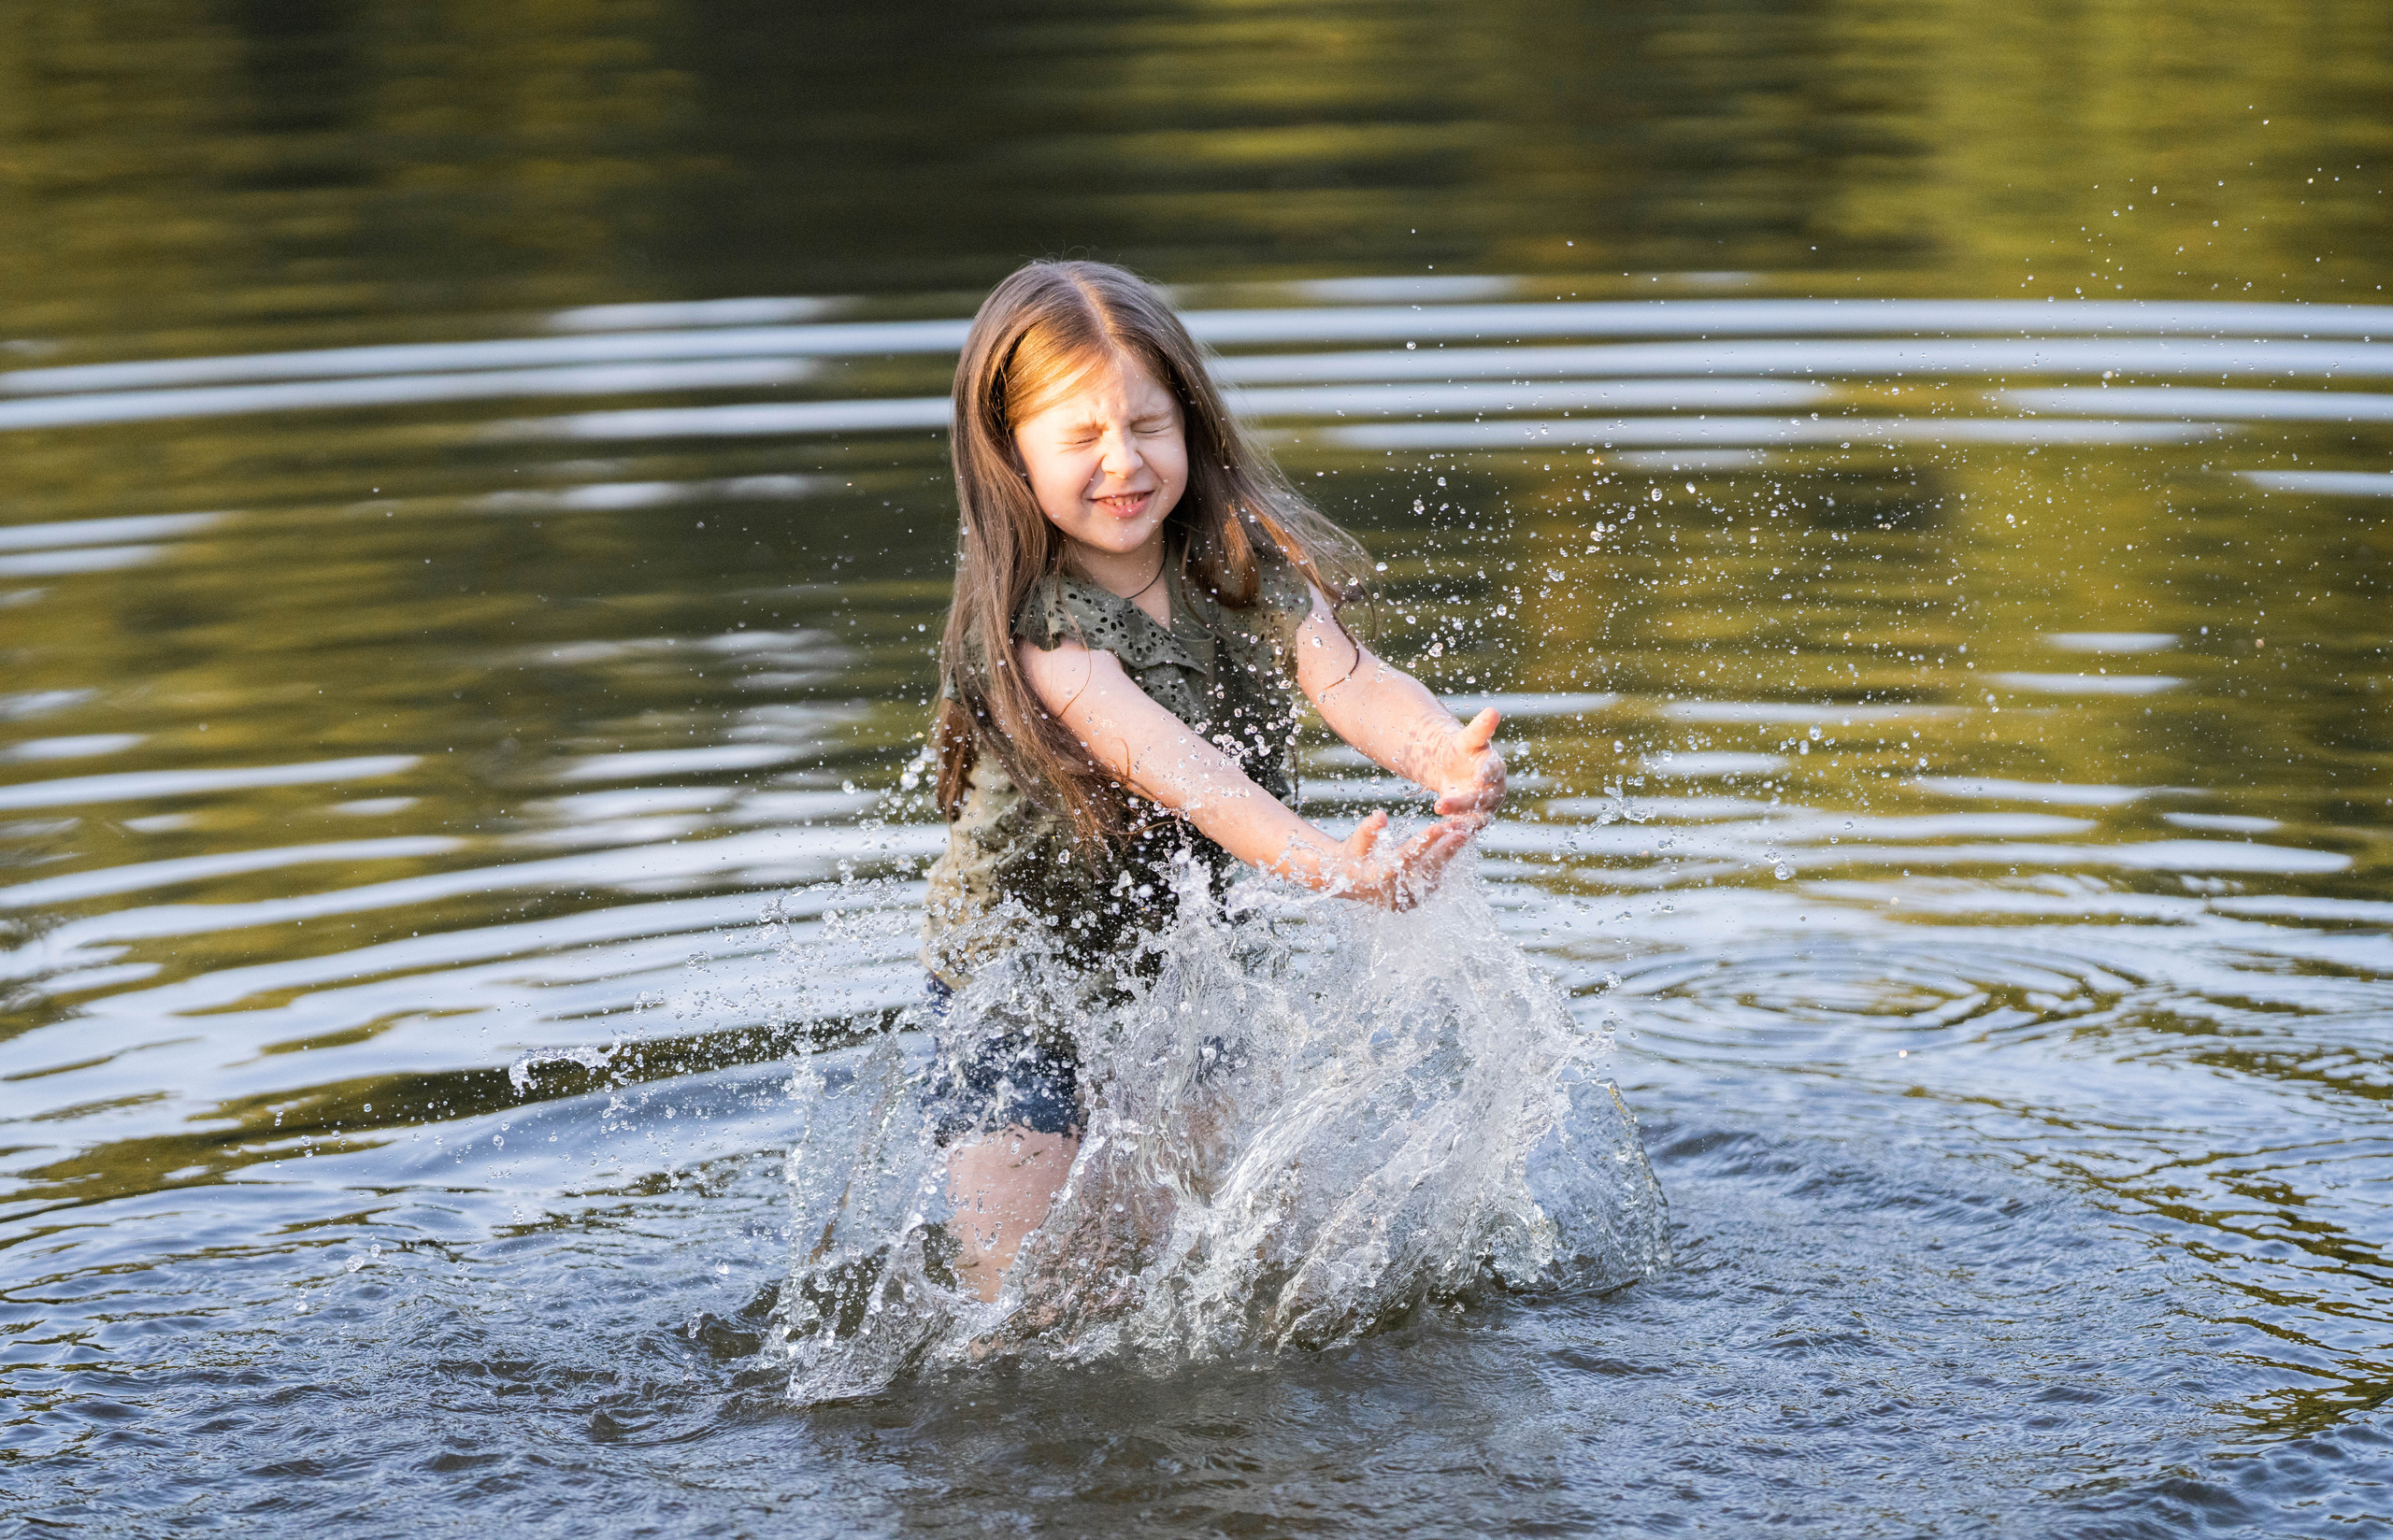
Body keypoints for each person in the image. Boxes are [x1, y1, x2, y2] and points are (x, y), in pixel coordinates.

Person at [923, 260, 1507, 1303]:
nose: (1123, 461)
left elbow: (1350, 679)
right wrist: (1330, 867)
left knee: (1228, 1269)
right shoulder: (1033, 628)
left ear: (1189, 423)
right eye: (1081, 438)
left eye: (1148, 425)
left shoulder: (1237, 568)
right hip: (1016, 987)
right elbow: (1186, 775)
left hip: (1184, 970)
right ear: (1010, 454)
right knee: (1024, 1296)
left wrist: (1439, 753)